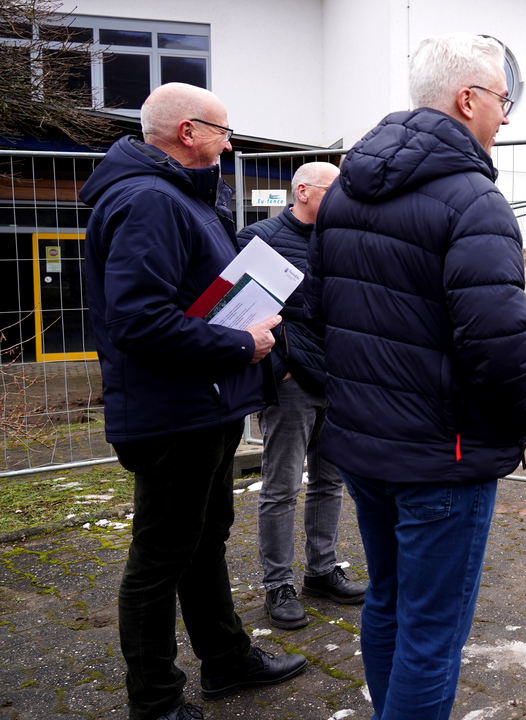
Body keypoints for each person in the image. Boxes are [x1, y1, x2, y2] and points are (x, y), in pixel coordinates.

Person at [304, 34, 526, 718]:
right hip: (444, 456)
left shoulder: (344, 192)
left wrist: (353, 404)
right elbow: (500, 346)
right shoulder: (474, 202)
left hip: (363, 448)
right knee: (432, 633)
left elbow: (315, 318)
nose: (505, 115)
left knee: (387, 598)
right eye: (502, 99)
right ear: (466, 99)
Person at [81, 82, 307, 720]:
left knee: (203, 540)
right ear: (187, 132)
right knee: (160, 558)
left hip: (202, 406)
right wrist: (240, 344)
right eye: (223, 130)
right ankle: (155, 701)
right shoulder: (151, 201)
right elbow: (137, 321)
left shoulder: (181, 198)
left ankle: (227, 657)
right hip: (171, 414)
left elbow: (185, 298)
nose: (230, 141)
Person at [238, 162, 367, 629]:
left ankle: (321, 569)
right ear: (305, 191)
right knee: (281, 487)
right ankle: (278, 584)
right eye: (334, 189)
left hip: (339, 379)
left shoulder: (343, 237)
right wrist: (279, 370)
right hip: (291, 382)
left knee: (330, 482)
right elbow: (243, 312)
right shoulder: (261, 238)